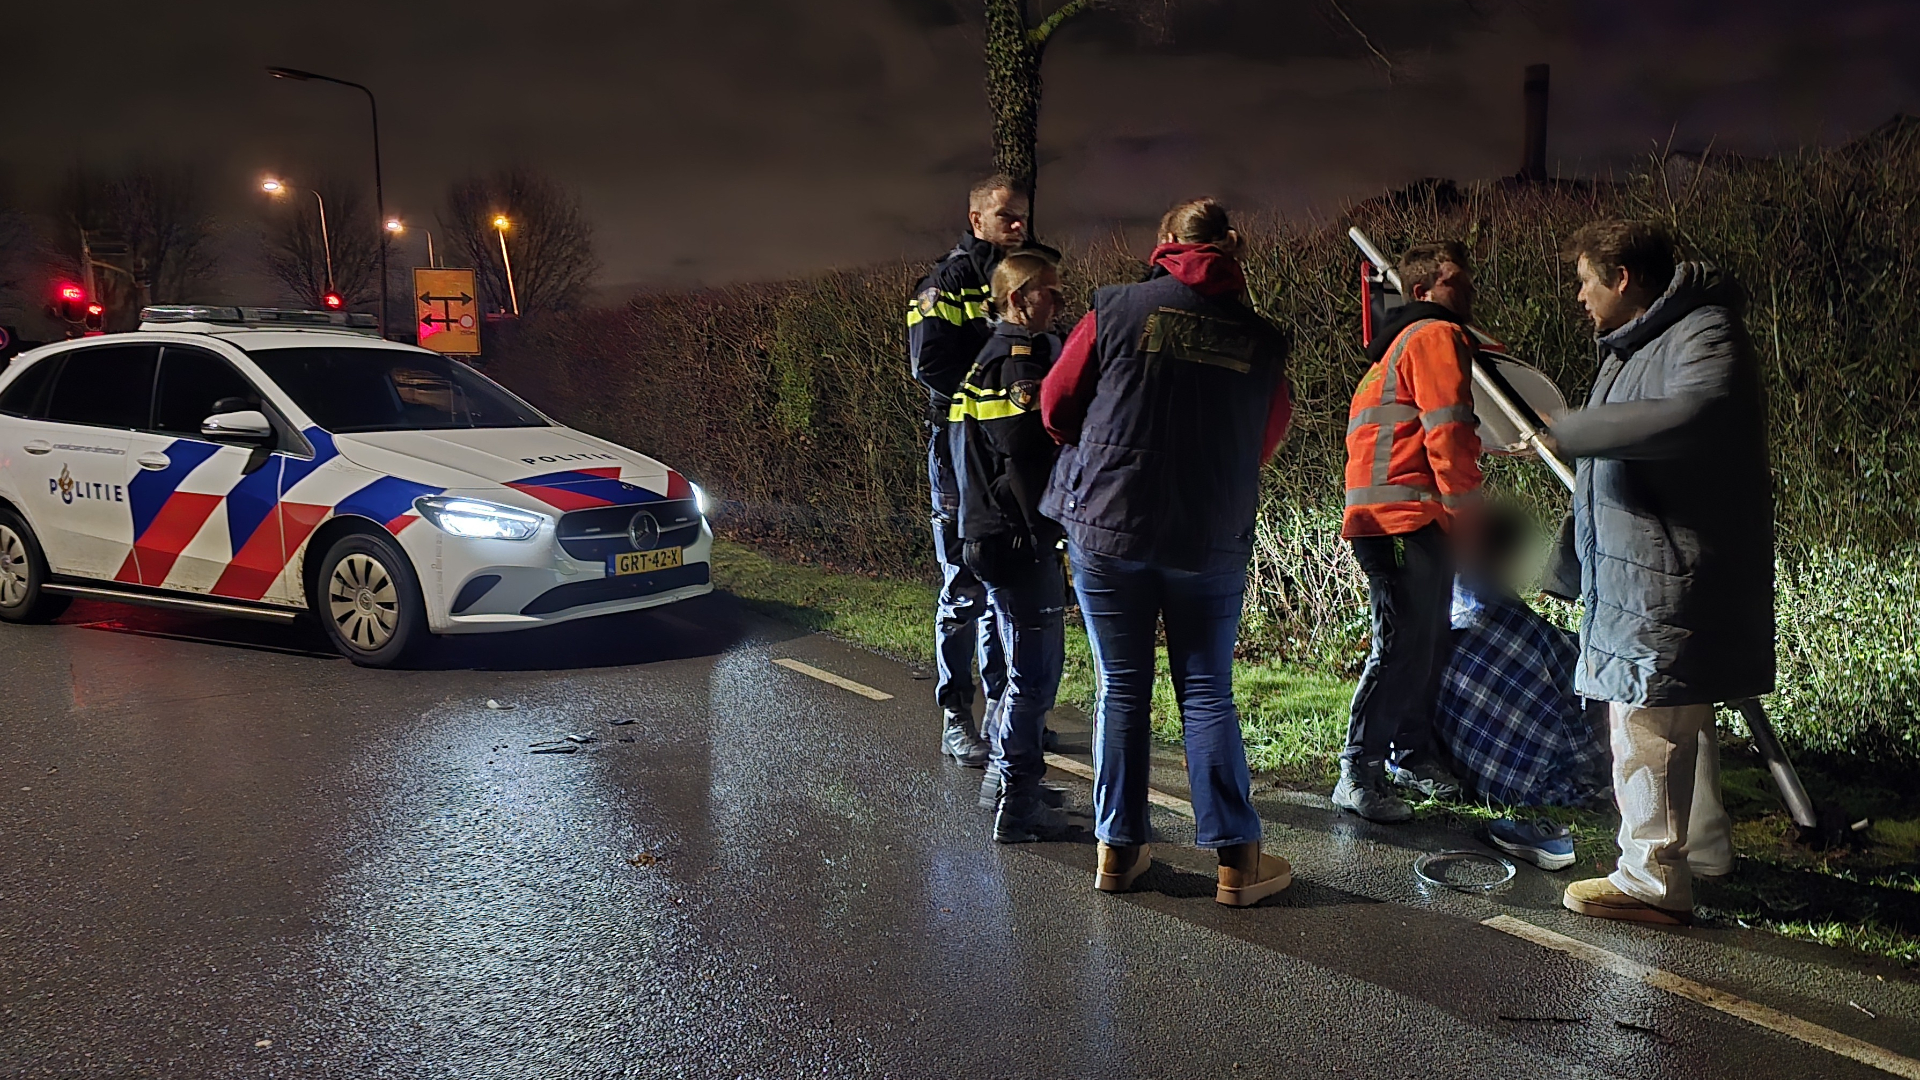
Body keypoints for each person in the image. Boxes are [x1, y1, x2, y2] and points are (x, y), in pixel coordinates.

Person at [1039, 197, 1294, 906]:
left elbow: (1057, 405)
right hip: (1207, 531)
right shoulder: (1261, 337)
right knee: (1207, 687)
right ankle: (1238, 863)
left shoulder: (1117, 308)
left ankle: (1118, 853)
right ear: (1232, 249)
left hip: (1110, 525)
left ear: (1164, 244)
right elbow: (1267, 439)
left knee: (1121, 684)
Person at [1542, 219, 1770, 925]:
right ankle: (1700, 854)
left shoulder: (1704, 331)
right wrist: (1570, 561)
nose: (1579, 297)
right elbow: (1607, 469)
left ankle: (1650, 880)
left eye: (1585, 281)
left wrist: (1567, 428)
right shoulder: (1634, 345)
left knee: (1645, 724)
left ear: (1622, 279)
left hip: (1668, 570)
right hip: (1640, 570)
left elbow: (1691, 419)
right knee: (1677, 718)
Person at [1332, 240, 1484, 823]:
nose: (1465, 288)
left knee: (1418, 644)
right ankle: (1360, 770)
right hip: (1403, 519)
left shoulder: (1397, 346)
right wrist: (1468, 518)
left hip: (1397, 517)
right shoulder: (1434, 337)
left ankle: (1409, 755)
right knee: (1402, 647)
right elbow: (1448, 433)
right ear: (1422, 291)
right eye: (1452, 280)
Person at [949, 251, 1071, 842]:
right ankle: (1017, 804)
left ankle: (1005, 781)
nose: (1059, 303)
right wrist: (1051, 528)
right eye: (1050, 293)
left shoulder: (985, 361)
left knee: (1019, 667)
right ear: (1020, 298)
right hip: (1016, 540)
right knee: (1035, 673)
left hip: (990, 537)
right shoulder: (1013, 365)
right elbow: (1022, 451)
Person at [908, 175, 1025, 768]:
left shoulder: (1022, 278)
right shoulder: (946, 282)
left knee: (1001, 581)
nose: (1017, 225)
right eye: (1006, 216)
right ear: (976, 220)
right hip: (959, 449)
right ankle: (957, 716)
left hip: (1004, 450)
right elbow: (928, 364)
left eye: (1021, 216)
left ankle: (1006, 713)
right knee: (962, 586)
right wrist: (988, 394)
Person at [1432, 505, 1610, 811]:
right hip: (1524, 776)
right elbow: (1577, 673)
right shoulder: (1517, 624)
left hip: (1467, 767)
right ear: (1509, 555)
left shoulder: (1440, 615)